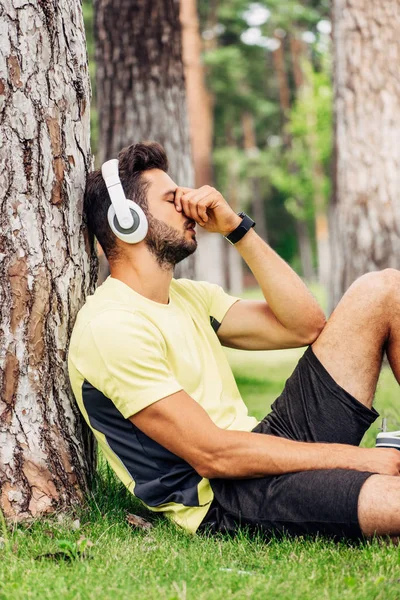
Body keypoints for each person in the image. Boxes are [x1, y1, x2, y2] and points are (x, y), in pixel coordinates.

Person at [68, 141, 400, 542]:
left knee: (383, 290)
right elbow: (214, 455)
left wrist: (235, 229)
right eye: (173, 199)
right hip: (225, 497)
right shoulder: (111, 328)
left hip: (260, 444)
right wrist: (364, 461)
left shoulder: (189, 296)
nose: (191, 204)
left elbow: (304, 326)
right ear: (126, 219)